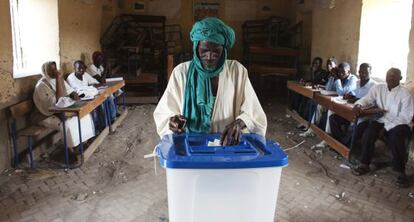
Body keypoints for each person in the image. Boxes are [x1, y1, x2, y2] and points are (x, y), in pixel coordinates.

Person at [153, 17, 267, 145]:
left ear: (223, 50)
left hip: (226, 145)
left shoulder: (237, 71)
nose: (209, 57)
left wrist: (240, 123)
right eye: (204, 51)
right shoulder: (181, 72)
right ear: (196, 48)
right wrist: (172, 121)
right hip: (190, 145)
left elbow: (254, 113)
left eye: (216, 52)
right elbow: (164, 112)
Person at [352, 68, 413, 188]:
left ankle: (400, 172)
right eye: (388, 75)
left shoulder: (405, 93)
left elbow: (406, 116)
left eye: (394, 76)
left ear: (400, 79)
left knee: (396, 138)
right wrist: (358, 104)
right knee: (368, 133)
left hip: (400, 123)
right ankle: (364, 164)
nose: (390, 78)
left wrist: (386, 128)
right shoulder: (379, 88)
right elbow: (367, 99)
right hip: (382, 119)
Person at [33, 61, 95, 156]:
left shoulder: (56, 78)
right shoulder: (42, 86)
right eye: (51, 69)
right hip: (46, 115)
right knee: (67, 124)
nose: (55, 71)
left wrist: (76, 97)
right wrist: (58, 79)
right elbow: (58, 102)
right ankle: (72, 149)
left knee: (83, 115)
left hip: (60, 111)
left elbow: (70, 91)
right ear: (45, 71)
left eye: (55, 68)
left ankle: (84, 141)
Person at [300, 62, 357, 139]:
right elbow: (328, 88)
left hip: (349, 106)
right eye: (339, 72)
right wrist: (332, 77)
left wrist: (337, 79)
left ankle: (327, 138)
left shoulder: (353, 79)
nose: (340, 74)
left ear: (349, 72)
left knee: (331, 110)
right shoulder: (338, 77)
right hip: (338, 102)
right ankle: (312, 130)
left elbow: (341, 93)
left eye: (343, 72)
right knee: (320, 105)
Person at [329, 63, 377, 145]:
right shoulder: (357, 83)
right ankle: (340, 143)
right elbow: (356, 96)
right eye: (361, 72)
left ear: (371, 73)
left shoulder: (374, 86)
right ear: (358, 72)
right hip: (352, 112)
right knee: (333, 118)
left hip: (364, 116)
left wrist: (357, 100)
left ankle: (343, 145)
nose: (363, 74)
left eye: (366, 72)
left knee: (355, 128)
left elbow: (373, 103)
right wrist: (351, 97)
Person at [67, 60, 117, 130]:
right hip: (80, 99)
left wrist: (92, 87)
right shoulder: (71, 78)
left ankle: (112, 118)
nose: (81, 70)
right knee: (99, 103)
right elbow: (78, 91)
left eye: (83, 68)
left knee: (109, 96)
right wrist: (91, 87)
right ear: (74, 69)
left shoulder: (85, 74)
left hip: (90, 94)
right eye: (79, 68)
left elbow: (96, 82)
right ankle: (101, 127)